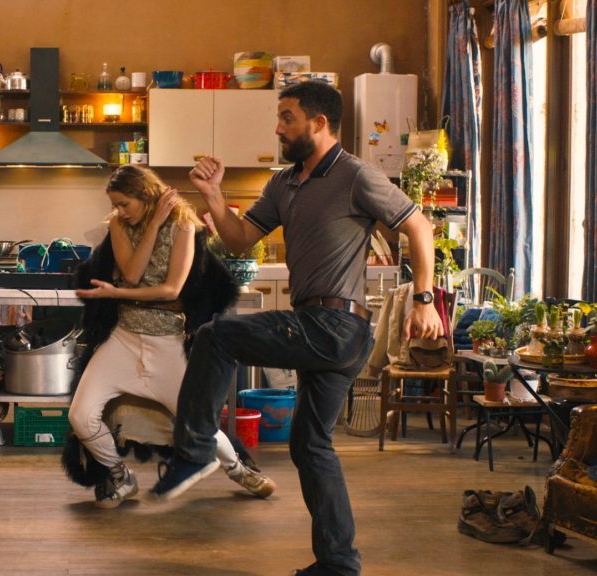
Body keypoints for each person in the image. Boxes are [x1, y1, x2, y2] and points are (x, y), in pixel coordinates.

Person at [148, 81, 442, 576]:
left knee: (216, 336)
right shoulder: (283, 184)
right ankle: (338, 564)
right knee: (309, 445)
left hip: (336, 325)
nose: (278, 128)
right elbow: (240, 239)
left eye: (287, 118)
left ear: (319, 123)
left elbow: (419, 227)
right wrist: (214, 196)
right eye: (279, 118)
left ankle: (195, 450)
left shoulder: (355, 175)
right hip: (321, 326)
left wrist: (424, 298)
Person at [68, 164, 277, 509]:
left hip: (166, 342)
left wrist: (117, 293)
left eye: (124, 204)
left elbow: (171, 290)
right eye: (116, 205)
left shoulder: (182, 224)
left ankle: (240, 470)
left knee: (198, 424)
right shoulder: (119, 224)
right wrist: (151, 225)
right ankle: (119, 475)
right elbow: (133, 274)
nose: (119, 211)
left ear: (144, 195)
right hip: (123, 340)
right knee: (80, 415)